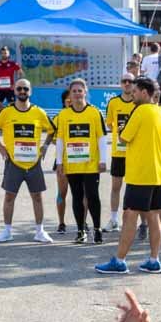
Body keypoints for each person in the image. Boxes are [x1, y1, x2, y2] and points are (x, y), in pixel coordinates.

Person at [95, 77, 161, 275]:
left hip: (141, 174)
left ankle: (120, 261)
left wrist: (122, 128)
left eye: (135, 91)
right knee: (154, 216)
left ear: (145, 93)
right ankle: (154, 260)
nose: (132, 94)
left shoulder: (140, 111)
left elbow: (124, 137)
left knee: (130, 215)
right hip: (159, 173)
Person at [0, 79, 54, 244]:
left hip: (33, 163)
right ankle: (7, 231)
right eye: (19, 89)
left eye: (25, 89)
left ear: (30, 91)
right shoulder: (6, 112)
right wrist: (0, 148)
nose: (22, 91)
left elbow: (52, 130)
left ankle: (40, 231)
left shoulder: (39, 112)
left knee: (37, 197)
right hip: (13, 163)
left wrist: (45, 146)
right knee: (9, 196)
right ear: (14, 91)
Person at [48, 79, 104, 245]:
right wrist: (59, 162)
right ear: (70, 95)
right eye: (74, 91)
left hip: (91, 165)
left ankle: (97, 229)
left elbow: (101, 138)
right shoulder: (64, 115)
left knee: (93, 196)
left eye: (80, 90)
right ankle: (80, 231)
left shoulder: (95, 112)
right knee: (77, 197)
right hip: (72, 165)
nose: (77, 94)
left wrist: (103, 160)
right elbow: (60, 140)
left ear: (85, 92)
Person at [104, 72, 136, 232]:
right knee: (116, 187)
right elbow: (110, 125)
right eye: (124, 81)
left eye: (130, 81)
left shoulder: (138, 103)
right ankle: (114, 219)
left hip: (135, 152)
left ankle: (135, 221)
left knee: (135, 188)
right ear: (121, 84)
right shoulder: (113, 102)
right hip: (118, 153)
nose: (127, 83)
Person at [0, 46, 21, 113]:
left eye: (5, 53)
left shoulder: (13, 64)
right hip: (0, 89)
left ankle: (11, 118)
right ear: (0, 54)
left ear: (8, 54)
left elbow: (21, 73)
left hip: (10, 89)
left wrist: (15, 84)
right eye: (2, 53)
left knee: (12, 107)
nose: (4, 54)